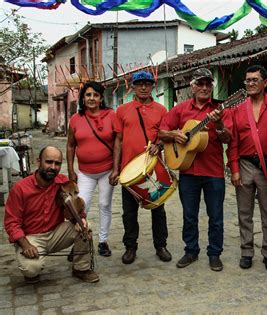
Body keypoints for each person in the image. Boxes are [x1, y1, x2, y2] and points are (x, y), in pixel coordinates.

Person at [159, 68, 232, 272]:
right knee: (189, 215)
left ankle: (214, 253)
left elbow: (227, 138)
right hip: (188, 171)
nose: (204, 87)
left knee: (216, 216)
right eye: (200, 83)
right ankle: (191, 250)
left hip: (213, 172)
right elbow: (161, 132)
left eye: (208, 84)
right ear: (192, 86)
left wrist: (218, 124)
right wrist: (175, 135)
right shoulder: (181, 109)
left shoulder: (220, 109)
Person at [4, 146, 99, 284]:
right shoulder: (20, 188)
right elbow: (11, 222)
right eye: (48, 162)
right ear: (38, 162)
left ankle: (81, 268)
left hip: (56, 233)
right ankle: (31, 264)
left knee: (86, 227)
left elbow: (77, 206)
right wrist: (25, 245)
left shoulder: (63, 182)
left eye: (57, 163)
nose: (53, 167)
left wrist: (80, 219)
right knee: (31, 270)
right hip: (31, 237)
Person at [109, 70, 171, 265]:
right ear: (132, 87)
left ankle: (160, 245)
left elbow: (165, 137)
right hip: (129, 170)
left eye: (147, 83)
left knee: (158, 208)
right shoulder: (122, 110)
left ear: (153, 86)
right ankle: (130, 247)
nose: (143, 87)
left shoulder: (161, 110)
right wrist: (116, 168)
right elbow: (118, 140)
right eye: (139, 84)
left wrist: (158, 145)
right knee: (129, 212)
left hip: (153, 168)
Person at [227, 65, 267, 271]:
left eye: (255, 80)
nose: (250, 84)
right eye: (248, 80)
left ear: (266, 83)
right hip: (243, 164)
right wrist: (234, 168)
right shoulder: (237, 109)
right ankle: (246, 251)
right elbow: (232, 142)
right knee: (244, 212)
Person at [67, 81, 115, 257]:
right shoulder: (75, 119)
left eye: (95, 95)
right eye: (88, 95)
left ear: (101, 98)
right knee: (80, 207)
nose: (92, 98)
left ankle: (103, 241)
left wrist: (116, 168)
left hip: (107, 171)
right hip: (85, 173)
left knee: (104, 204)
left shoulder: (111, 115)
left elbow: (118, 142)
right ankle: (80, 242)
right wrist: (71, 171)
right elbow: (71, 145)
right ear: (83, 98)